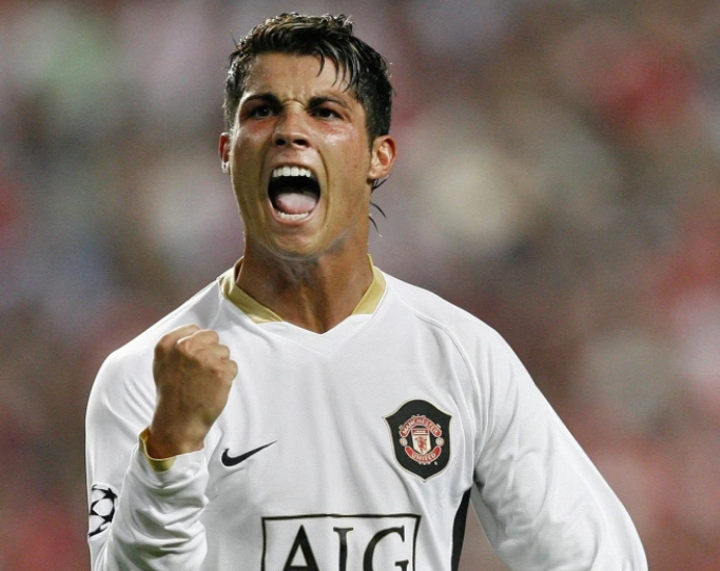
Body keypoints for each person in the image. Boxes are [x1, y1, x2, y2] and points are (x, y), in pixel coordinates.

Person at [85, 13, 647, 571]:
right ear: (228, 152)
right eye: (263, 110)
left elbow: (597, 558)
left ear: (380, 156)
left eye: (325, 112)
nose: (290, 131)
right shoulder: (146, 376)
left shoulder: (461, 357)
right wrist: (170, 446)